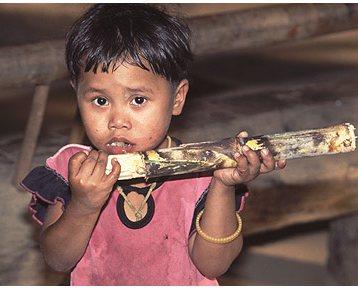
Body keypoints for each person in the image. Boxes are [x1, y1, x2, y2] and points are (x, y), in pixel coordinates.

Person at [21, 3, 286, 286]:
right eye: (100, 100)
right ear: (78, 95)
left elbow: (213, 264)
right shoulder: (75, 170)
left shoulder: (198, 172)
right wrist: (83, 205)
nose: (117, 121)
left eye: (137, 100)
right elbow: (58, 259)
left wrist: (222, 185)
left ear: (177, 99)